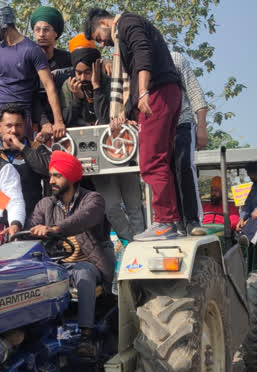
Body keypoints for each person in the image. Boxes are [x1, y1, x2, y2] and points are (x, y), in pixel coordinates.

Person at [84, 9, 183, 240]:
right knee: (161, 161)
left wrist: (143, 90)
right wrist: (126, 112)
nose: (104, 43)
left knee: (151, 161)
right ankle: (169, 220)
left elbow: (142, 52)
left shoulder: (127, 24)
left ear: (102, 23)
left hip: (156, 94)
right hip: (166, 93)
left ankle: (165, 222)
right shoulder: (130, 25)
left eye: (99, 37)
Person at [28, 151, 115, 358]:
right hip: (57, 266)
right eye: (50, 176)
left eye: (57, 176)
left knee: (82, 272)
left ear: (72, 177)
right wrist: (22, 231)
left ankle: (86, 336)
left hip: (90, 264)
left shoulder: (93, 200)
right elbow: (33, 226)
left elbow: (83, 219)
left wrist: (56, 229)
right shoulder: (45, 204)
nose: (52, 181)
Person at [62, 33, 144, 242]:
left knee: (134, 204)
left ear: (97, 67)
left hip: (121, 151)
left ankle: (142, 243)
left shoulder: (110, 82)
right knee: (112, 206)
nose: (82, 78)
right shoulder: (69, 87)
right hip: (97, 161)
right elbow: (68, 123)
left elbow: (106, 117)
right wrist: (78, 101)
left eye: (87, 72)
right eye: (78, 73)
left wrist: (98, 87)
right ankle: (133, 243)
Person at [0, 2, 65, 142]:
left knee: (21, 159)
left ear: (1, 22)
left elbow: (49, 87)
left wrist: (58, 121)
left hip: (21, 118)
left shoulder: (32, 50)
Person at [170, 51, 209, 236]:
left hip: (182, 122)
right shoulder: (136, 62)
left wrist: (202, 127)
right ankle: (173, 221)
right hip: (156, 128)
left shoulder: (175, 58)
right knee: (163, 174)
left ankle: (193, 220)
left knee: (184, 167)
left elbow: (195, 94)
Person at [0, 103, 52, 219]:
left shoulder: (35, 148)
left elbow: (51, 169)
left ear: (25, 125)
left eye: (18, 125)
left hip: (32, 219)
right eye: (8, 125)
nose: (14, 130)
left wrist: (22, 148)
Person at [29, 6, 72, 138]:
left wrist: (105, 62)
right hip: (40, 125)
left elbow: (87, 62)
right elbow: (32, 97)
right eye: (37, 30)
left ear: (56, 33)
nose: (41, 34)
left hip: (68, 122)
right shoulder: (28, 63)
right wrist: (44, 122)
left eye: (46, 29)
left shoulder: (67, 59)